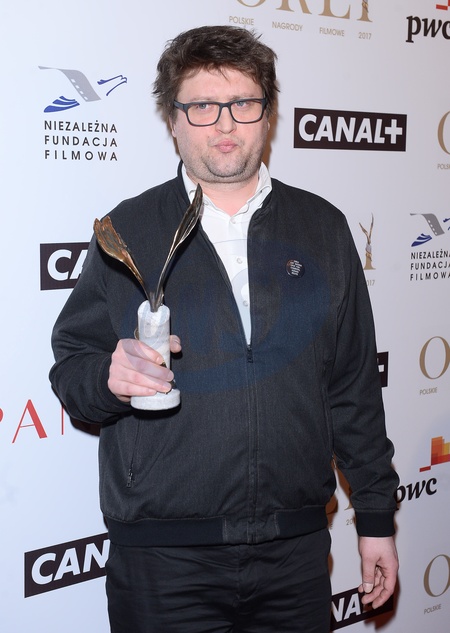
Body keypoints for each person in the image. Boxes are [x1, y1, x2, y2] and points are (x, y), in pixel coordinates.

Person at [50, 25, 399, 633]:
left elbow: (353, 388)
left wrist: (374, 520)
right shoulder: (126, 230)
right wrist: (109, 378)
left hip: (295, 555)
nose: (225, 124)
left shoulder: (322, 228)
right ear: (173, 119)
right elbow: (72, 370)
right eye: (202, 107)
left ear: (269, 113)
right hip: (163, 562)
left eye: (243, 103)